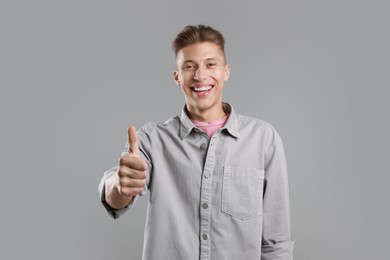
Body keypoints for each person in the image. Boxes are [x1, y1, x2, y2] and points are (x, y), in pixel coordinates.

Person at [98, 24, 294, 260]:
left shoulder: (264, 139)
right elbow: (115, 195)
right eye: (189, 66)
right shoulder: (152, 139)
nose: (200, 75)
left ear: (226, 71)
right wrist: (119, 185)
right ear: (177, 77)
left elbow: (276, 243)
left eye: (210, 65)